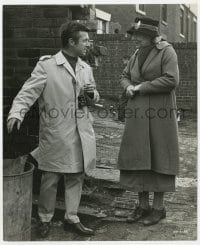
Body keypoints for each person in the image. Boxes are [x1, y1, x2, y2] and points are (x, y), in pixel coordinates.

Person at [7, 21, 100, 237]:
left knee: (77, 174)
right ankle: (45, 218)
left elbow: (93, 97)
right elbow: (27, 92)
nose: (88, 44)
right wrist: (16, 113)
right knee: (51, 176)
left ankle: (72, 217)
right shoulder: (47, 66)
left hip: (81, 131)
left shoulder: (86, 68)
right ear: (71, 42)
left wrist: (91, 95)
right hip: (57, 131)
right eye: (85, 40)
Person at [118, 17, 179, 226]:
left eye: (140, 35)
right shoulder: (136, 53)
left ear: (151, 36)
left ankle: (158, 208)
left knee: (159, 155)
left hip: (160, 112)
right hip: (137, 112)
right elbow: (125, 75)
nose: (136, 39)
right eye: (135, 35)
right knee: (138, 156)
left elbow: (172, 79)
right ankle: (142, 206)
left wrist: (141, 87)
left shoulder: (167, 51)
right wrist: (127, 86)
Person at [118, 55, 130, 122]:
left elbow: (125, 77)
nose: (123, 62)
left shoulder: (128, 66)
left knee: (122, 102)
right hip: (130, 86)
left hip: (128, 87)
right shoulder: (132, 65)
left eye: (123, 60)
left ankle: (121, 117)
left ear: (127, 59)